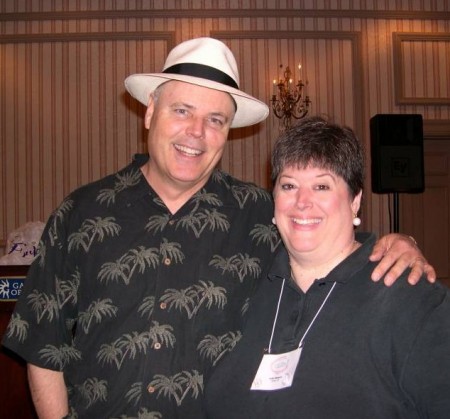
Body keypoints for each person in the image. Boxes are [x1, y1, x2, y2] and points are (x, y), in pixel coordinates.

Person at [1, 38, 434, 419]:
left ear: (228, 131)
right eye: (182, 110)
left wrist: (401, 241)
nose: (197, 132)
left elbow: (326, 234)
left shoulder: (261, 213)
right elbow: (44, 342)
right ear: (150, 112)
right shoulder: (82, 212)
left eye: (215, 119)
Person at [204, 116, 450, 419]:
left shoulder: (412, 301)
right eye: (289, 185)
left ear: (355, 200)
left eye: (322, 186)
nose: (302, 202)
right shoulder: (249, 284)